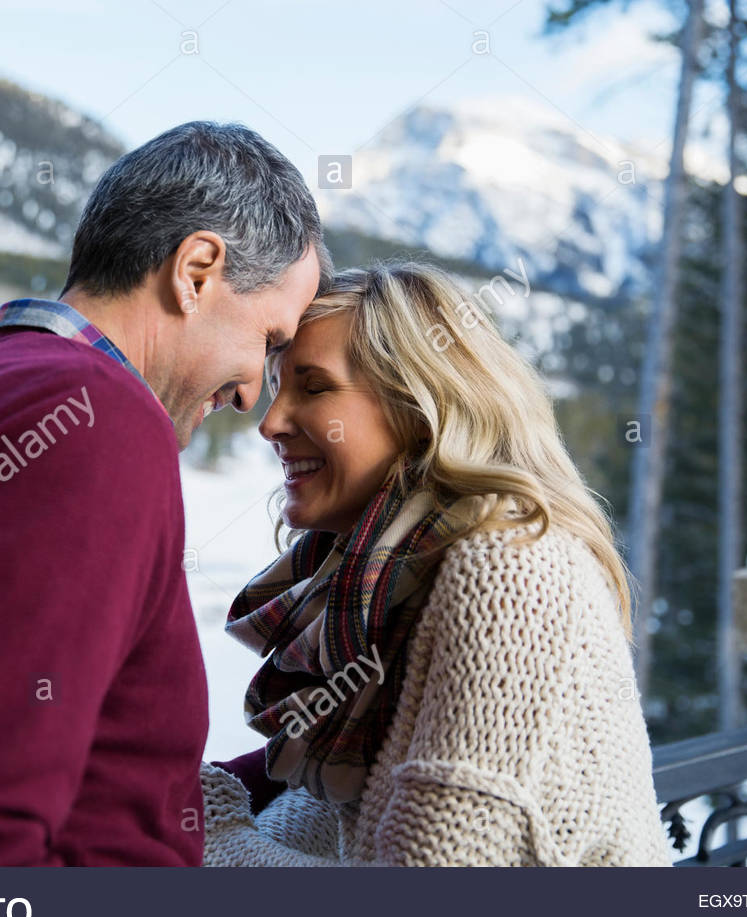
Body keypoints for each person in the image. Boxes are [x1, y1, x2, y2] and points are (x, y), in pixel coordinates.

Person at [0, 121, 330, 865]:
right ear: (198, 270)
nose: (250, 395)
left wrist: (299, 772)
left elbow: (93, 787)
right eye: (269, 342)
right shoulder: (92, 427)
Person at [202, 262, 672, 866]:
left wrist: (213, 831)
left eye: (314, 387)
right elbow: (350, 814)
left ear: (419, 405)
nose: (270, 423)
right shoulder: (388, 574)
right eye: (274, 389)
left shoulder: (512, 567)